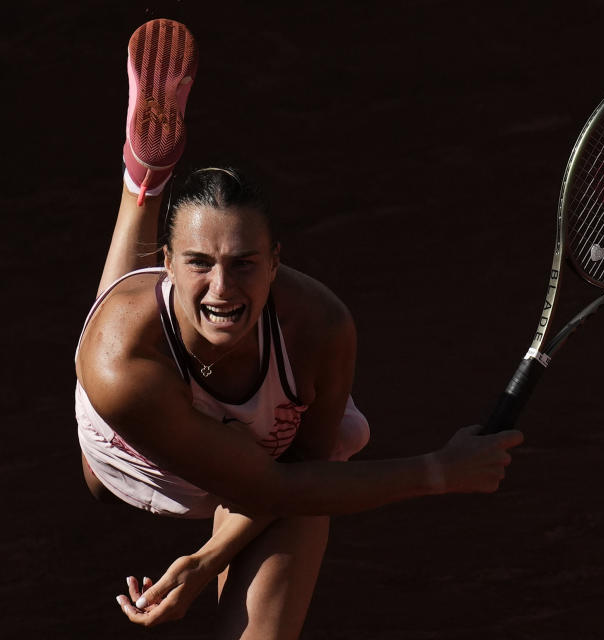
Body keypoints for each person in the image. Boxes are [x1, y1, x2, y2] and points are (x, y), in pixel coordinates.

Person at [76, 18, 523, 638]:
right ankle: (142, 185)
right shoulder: (120, 365)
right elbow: (274, 484)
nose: (225, 289)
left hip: (264, 464)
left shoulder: (322, 326)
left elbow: (301, 479)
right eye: (200, 264)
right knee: (99, 479)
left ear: (278, 261)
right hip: (130, 443)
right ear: (167, 265)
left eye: (245, 264)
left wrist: (207, 561)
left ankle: (147, 186)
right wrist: (439, 470)